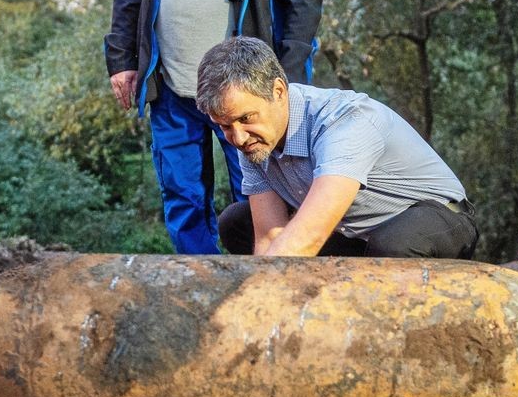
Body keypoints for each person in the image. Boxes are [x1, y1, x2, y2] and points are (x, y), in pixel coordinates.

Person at [104, 0, 324, 254]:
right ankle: (198, 285)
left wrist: (285, 78)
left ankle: (260, 285)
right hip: (172, 82)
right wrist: (122, 59)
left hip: (247, 95)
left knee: (259, 195)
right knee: (182, 195)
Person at [196, 37, 479, 258]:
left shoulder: (343, 122)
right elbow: (270, 236)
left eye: (246, 119)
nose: (239, 137)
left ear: (278, 91)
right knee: (236, 222)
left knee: (392, 246)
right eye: (224, 126)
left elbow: (309, 235)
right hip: (356, 235)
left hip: (440, 220)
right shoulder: (253, 139)